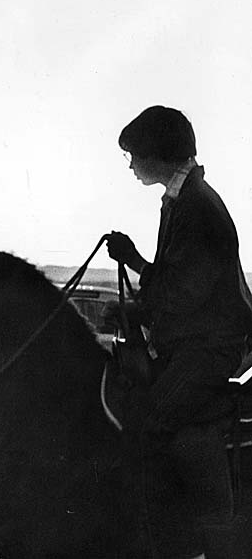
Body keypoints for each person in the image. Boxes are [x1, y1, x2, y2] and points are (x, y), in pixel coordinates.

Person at [106, 105, 252, 559]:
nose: (130, 165)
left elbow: (184, 294)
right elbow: (176, 282)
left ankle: (206, 538)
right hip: (196, 340)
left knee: (155, 419)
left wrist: (136, 294)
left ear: (158, 153)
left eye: (133, 154)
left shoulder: (198, 206)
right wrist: (135, 276)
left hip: (211, 348)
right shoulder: (181, 199)